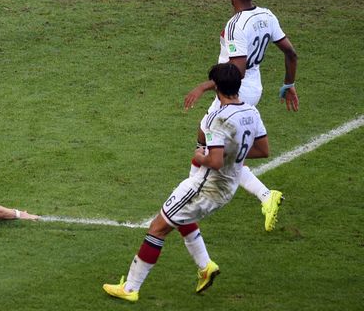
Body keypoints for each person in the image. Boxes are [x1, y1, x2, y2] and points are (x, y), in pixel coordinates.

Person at [103, 63, 270, 302]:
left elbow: (212, 161)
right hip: (228, 186)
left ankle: (130, 288)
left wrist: (199, 155)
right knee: (181, 217)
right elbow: (263, 150)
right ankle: (205, 266)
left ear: (217, 89)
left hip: (206, 187)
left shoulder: (217, 118)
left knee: (157, 227)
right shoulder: (251, 113)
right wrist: (230, 156)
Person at [184, 0, 298, 231]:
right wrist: (289, 84)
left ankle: (260, 195)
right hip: (253, 86)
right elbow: (291, 53)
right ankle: (259, 194)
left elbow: (237, 69)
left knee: (209, 140)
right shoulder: (266, 16)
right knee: (208, 137)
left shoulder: (237, 25)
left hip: (235, 87)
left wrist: (205, 85)